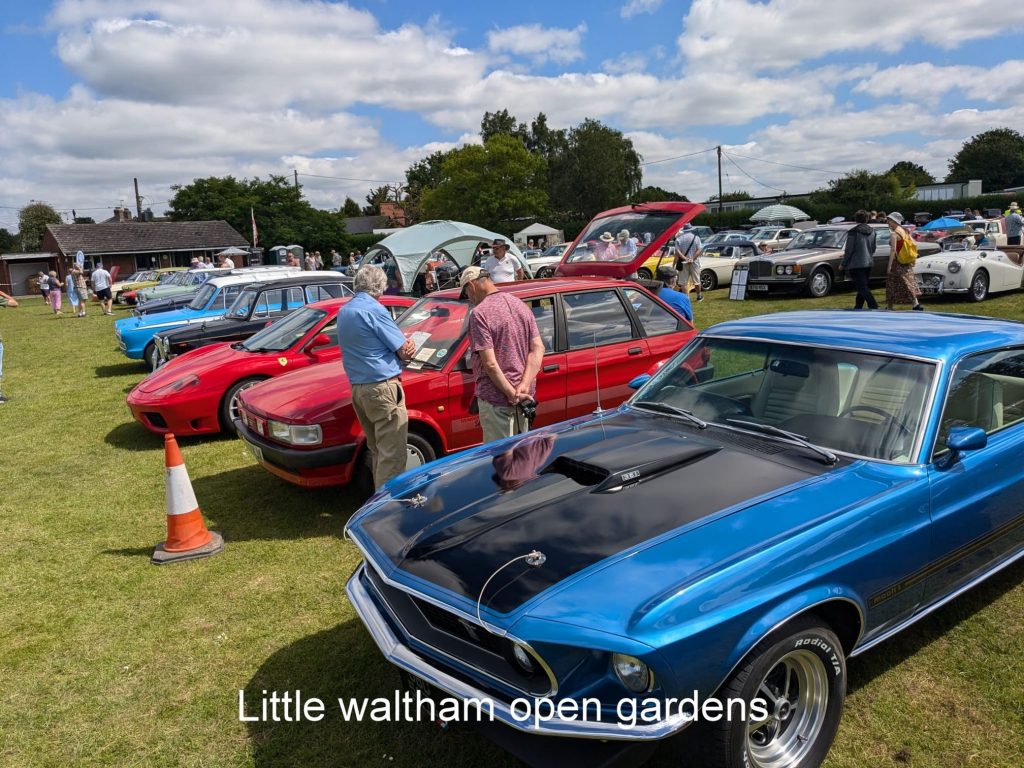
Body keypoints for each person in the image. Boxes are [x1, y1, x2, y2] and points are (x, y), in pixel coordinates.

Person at [338, 265, 416, 488]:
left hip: (359, 387)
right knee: (392, 455)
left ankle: (379, 499)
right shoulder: (375, 309)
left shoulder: (345, 311)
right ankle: (389, 505)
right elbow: (404, 350)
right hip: (382, 387)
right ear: (380, 286)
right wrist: (409, 345)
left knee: (378, 451)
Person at [460, 266, 544, 443]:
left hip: (497, 400)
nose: (469, 299)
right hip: (525, 397)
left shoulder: (480, 313)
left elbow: (490, 364)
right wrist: (524, 385)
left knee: (500, 456)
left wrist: (511, 394)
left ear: (471, 286)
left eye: (466, 293)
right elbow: (538, 348)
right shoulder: (519, 304)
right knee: (521, 452)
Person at [841, 210, 879, 310]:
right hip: (868, 262)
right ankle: (858, 306)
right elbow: (873, 247)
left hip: (856, 263)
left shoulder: (853, 232)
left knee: (862, 287)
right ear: (867, 219)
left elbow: (849, 249)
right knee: (862, 286)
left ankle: (873, 305)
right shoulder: (872, 231)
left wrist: (843, 263)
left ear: (856, 219)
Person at [884, 212, 923, 311]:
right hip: (906, 261)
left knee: (893, 284)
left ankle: (890, 306)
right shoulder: (904, 231)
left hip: (897, 262)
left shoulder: (894, 234)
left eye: (889, 220)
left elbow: (893, 250)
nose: (888, 222)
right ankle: (915, 304)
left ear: (894, 221)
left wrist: (889, 266)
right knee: (908, 282)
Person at [674, 223, 704, 301]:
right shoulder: (696, 238)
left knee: (683, 282)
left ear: (684, 230)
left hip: (683, 262)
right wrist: (692, 258)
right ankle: (699, 296)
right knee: (696, 280)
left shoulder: (679, 238)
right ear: (691, 229)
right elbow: (699, 250)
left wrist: (685, 258)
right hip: (694, 262)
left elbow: (677, 251)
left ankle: (686, 298)